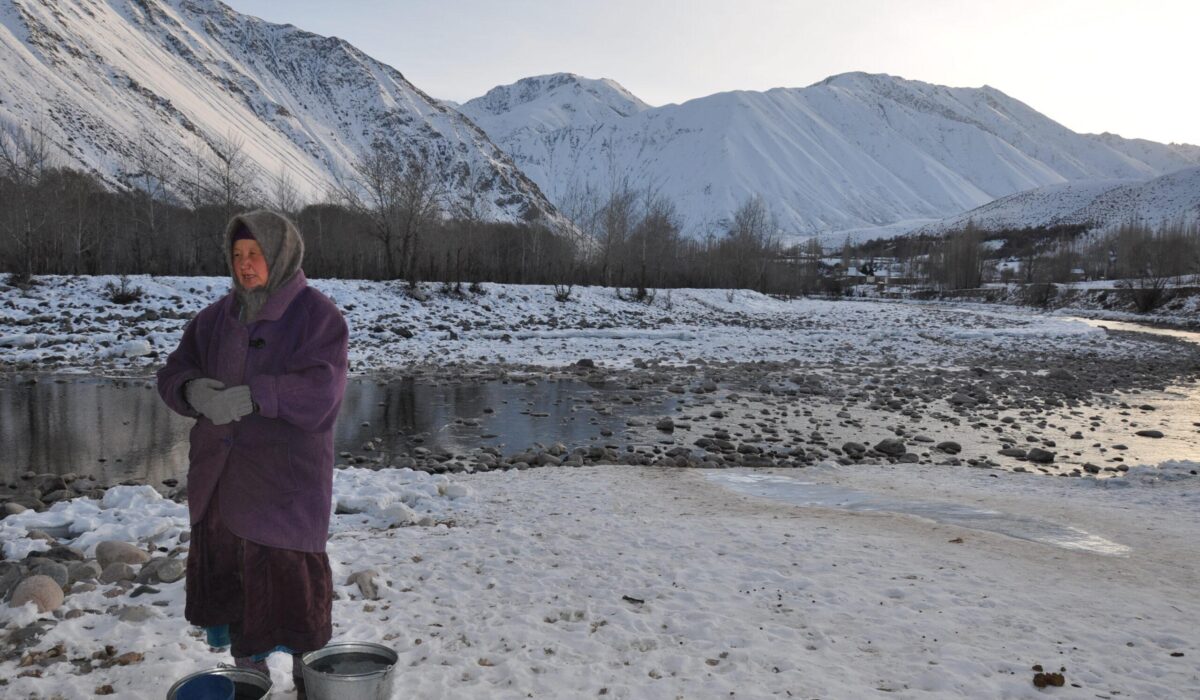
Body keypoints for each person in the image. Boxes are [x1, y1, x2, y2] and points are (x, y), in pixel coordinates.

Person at [157, 210, 348, 696]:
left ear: (281, 254)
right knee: (238, 589)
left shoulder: (316, 316)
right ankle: (250, 679)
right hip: (223, 480)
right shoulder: (215, 318)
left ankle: (310, 677)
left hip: (285, 485)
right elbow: (173, 372)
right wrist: (194, 391)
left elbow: (323, 390)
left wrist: (258, 394)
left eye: (255, 254)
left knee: (294, 591)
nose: (245, 265)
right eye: (238, 255)